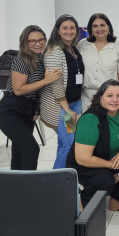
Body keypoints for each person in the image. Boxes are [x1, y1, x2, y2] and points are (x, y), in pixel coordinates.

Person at [66, 80, 119, 214]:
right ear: (100, 97)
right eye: (109, 95)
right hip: (88, 164)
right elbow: (83, 159)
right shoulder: (90, 119)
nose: (115, 100)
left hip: (113, 156)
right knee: (105, 181)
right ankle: (83, 203)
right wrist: (111, 166)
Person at [0, 25, 61, 170]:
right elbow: (18, 90)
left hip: (27, 110)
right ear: (25, 42)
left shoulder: (40, 59)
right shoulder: (22, 59)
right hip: (10, 111)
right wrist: (46, 80)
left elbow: (36, 89)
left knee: (19, 151)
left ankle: (18, 188)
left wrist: (36, 107)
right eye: (32, 41)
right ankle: (29, 186)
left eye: (40, 40)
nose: (37, 44)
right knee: (31, 149)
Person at [41, 15, 85, 169]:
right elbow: (56, 84)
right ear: (58, 31)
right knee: (69, 143)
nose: (69, 31)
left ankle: (62, 178)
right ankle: (56, 182)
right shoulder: (54, 51)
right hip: (61, 106)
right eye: (64, 28)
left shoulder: (73, 49)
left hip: (74, 103)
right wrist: (68, 110)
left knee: (64, 142)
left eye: (72, 28)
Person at [77, 13, 119, 112]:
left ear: (109, 27)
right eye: (95, 26)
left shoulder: (118, 46)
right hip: (86, 97)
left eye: (102, 25)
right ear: (90, 29)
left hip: (109, 98)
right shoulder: (82, 45)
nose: (99, 29)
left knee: (107, 126)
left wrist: (116, 96)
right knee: (89, 125)